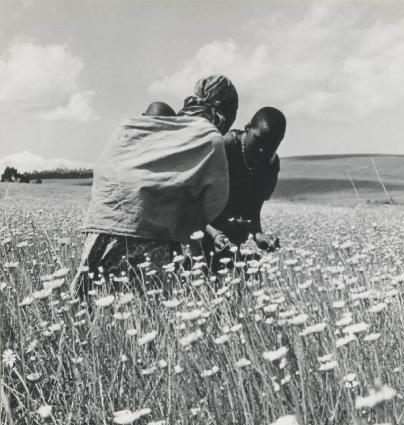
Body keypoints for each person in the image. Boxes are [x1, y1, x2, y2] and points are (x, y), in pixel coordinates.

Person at [70, 75, 238, 296]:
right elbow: (213, 203)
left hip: (103, 226)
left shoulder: (151, 126)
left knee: (90, 301)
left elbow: (110, 166)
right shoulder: (209, 139)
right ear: (225, 112)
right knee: (142, 308)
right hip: (150, 235)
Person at [201, 107, 286, 269]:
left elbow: (253, 210)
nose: (263, 150)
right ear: (248, 128)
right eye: (259, 141)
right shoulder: (223, 148)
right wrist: (214, 233)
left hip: (227, 239)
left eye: (272, 145)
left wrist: (258, 234)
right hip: (199, 233)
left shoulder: (270, 164)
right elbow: (193, 204)